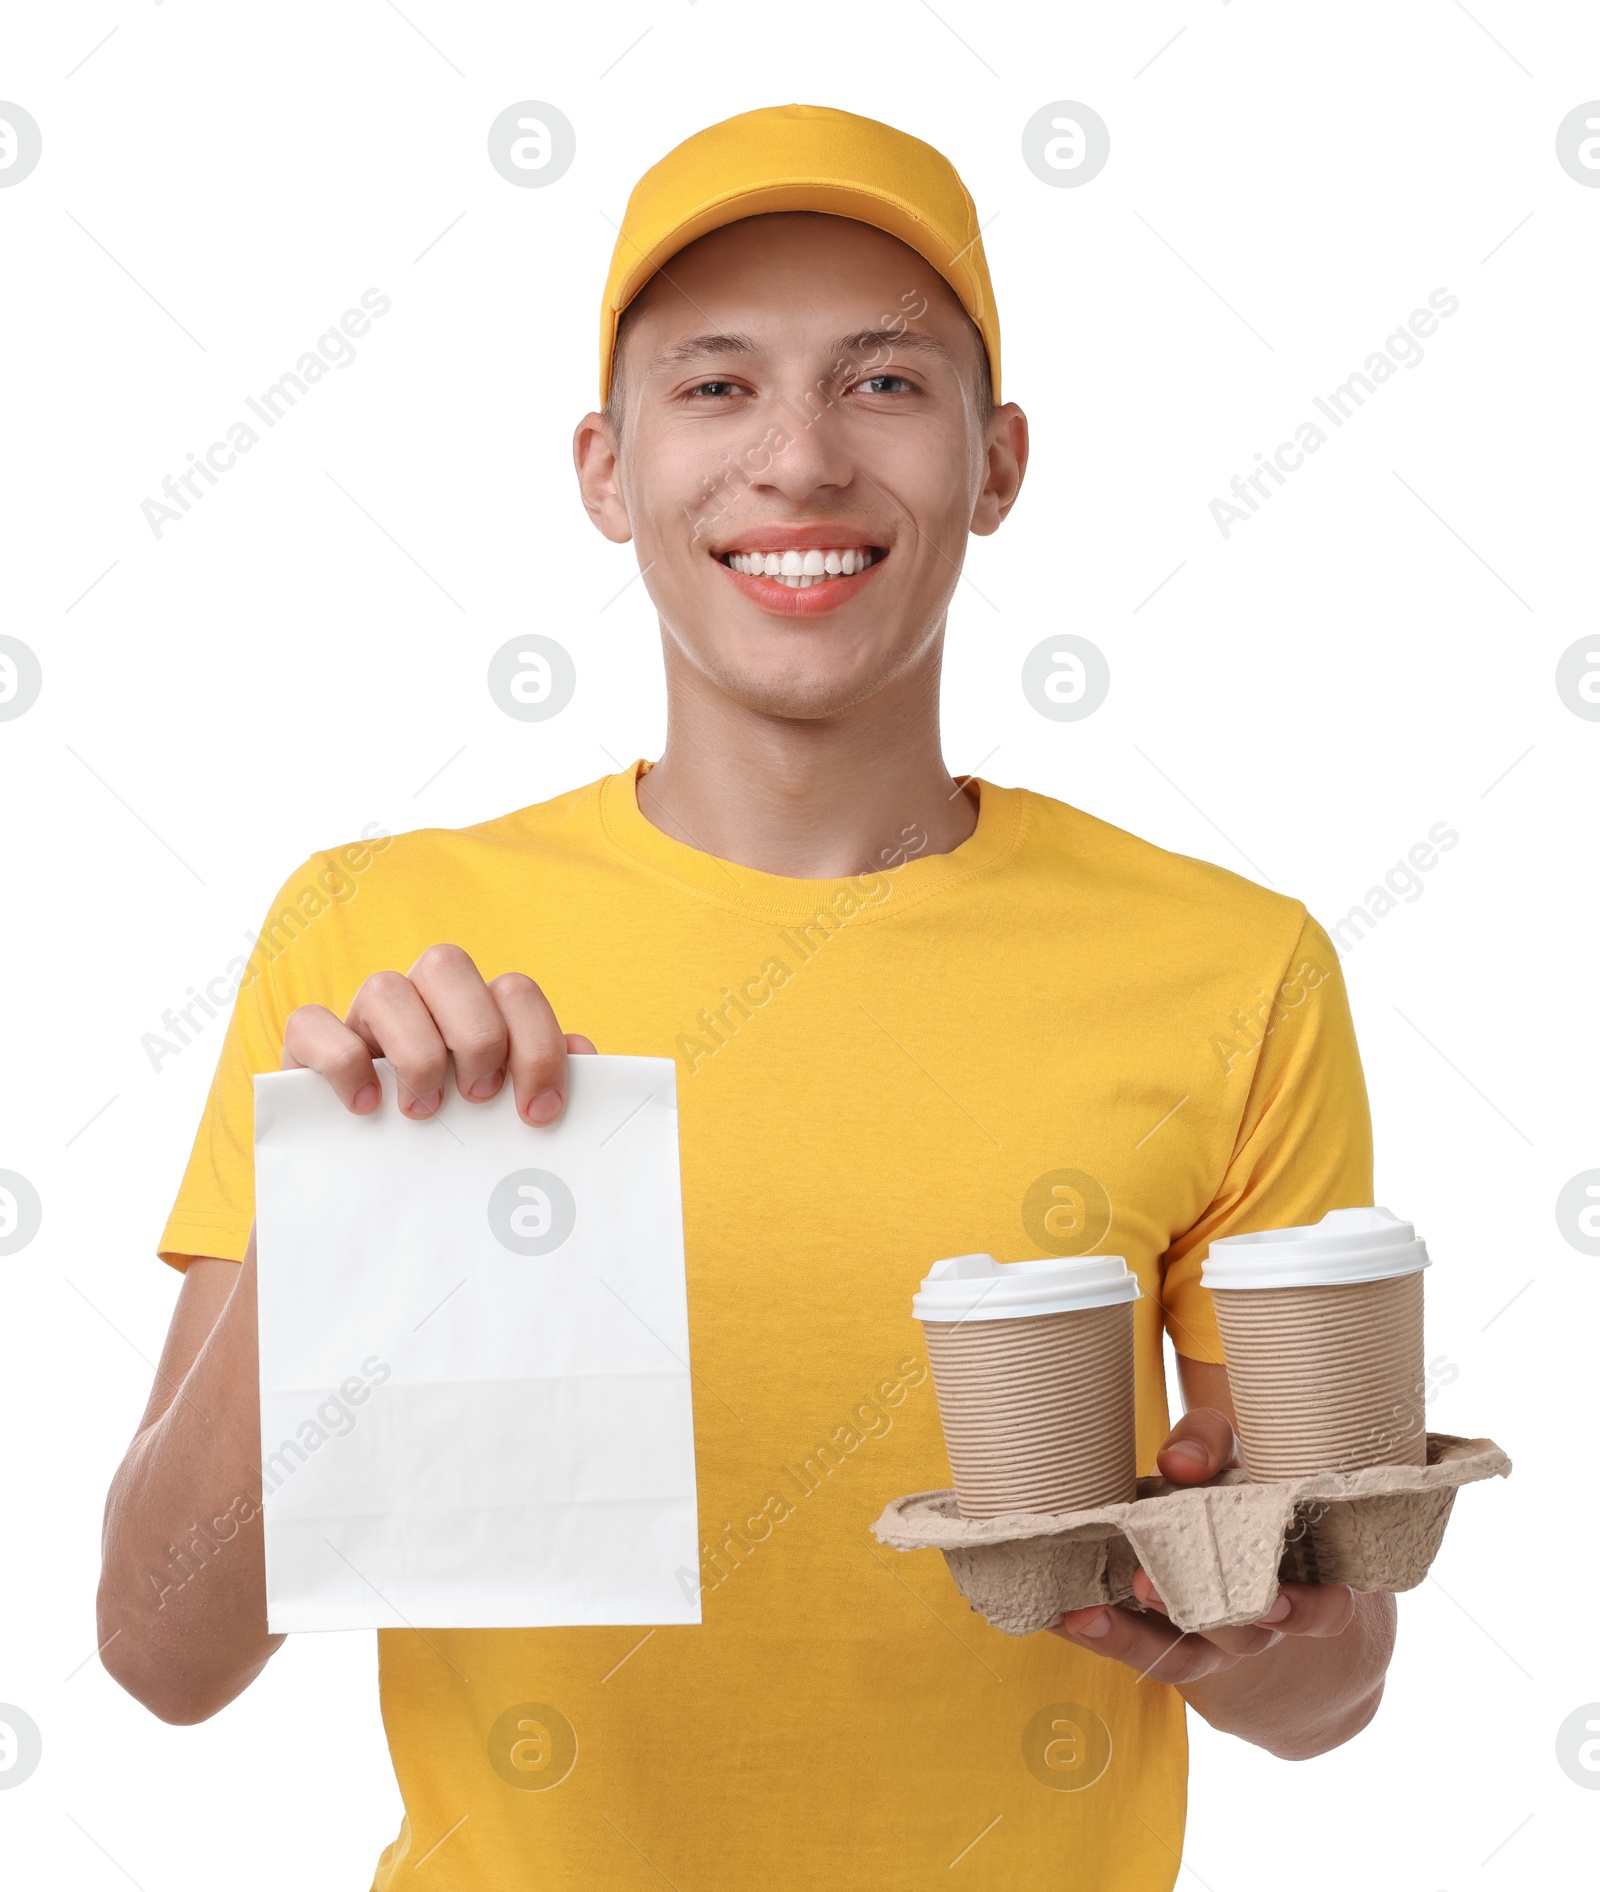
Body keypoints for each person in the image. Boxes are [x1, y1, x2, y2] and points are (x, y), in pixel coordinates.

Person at [97, 103, 1393, 1890]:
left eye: (883, 383)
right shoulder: (382, 940)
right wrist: (356, 1218)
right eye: (715, 388)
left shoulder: (1235, 971)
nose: (797, 460)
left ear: (998, 461)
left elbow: (1339, 1691)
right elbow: (164, 1655)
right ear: (604, 470)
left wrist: (1254, 1637)